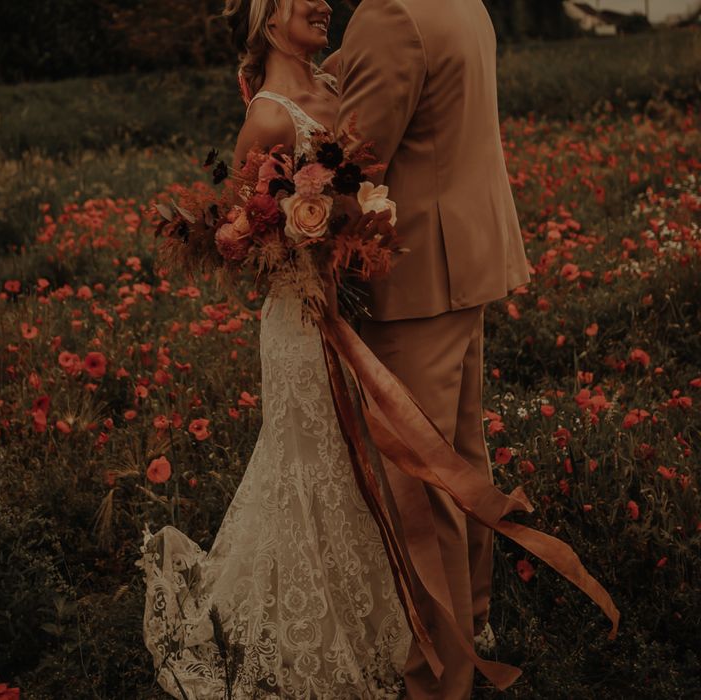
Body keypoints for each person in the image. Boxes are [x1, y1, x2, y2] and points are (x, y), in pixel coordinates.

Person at [138, 1, 413, 697]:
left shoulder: (338, 84)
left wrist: (359, 232)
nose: (325, 2)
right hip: (297, 320)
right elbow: (238, 235)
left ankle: (379, 609)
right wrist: (297, 239)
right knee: (308, 467)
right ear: (269, 20)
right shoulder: (267, 117)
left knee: (356, 467)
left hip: (352, 308)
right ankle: (304, 630)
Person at [334, 0, 532, 697]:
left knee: (420, 489)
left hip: (413, 275)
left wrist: (282, 218)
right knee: (462, 457)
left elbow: (352, 159)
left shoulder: (390, 14)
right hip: (464, 259)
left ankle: (437, 678)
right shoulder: (463, 3)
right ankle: (473, 624)